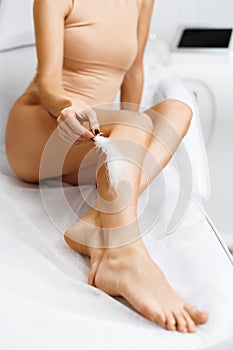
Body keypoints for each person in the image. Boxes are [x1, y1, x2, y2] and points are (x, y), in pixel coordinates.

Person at [5, 0, 208, 333]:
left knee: (177, 111)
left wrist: (131, 137)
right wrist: (67, 110)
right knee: (138, 124)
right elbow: (47, 84)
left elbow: (134, 70)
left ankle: (95, 222)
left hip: (94, 134)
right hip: (44, 125)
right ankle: (124, 255)